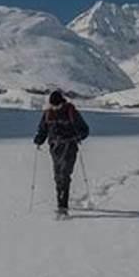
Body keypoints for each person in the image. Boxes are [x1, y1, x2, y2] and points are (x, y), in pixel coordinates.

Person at [33, 90, 90, 218]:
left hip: (69, 147)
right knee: (58, 177)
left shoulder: (71, 112)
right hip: (55, 149)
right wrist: (39, 139)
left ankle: (62, 206)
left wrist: (76, 137)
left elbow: (85, 130)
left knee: (64, 175)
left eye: (57, 105)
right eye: (52, 105)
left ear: (61, 103)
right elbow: (43, 129)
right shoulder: (48, 113)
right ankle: (61, 201)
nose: (55, 107)